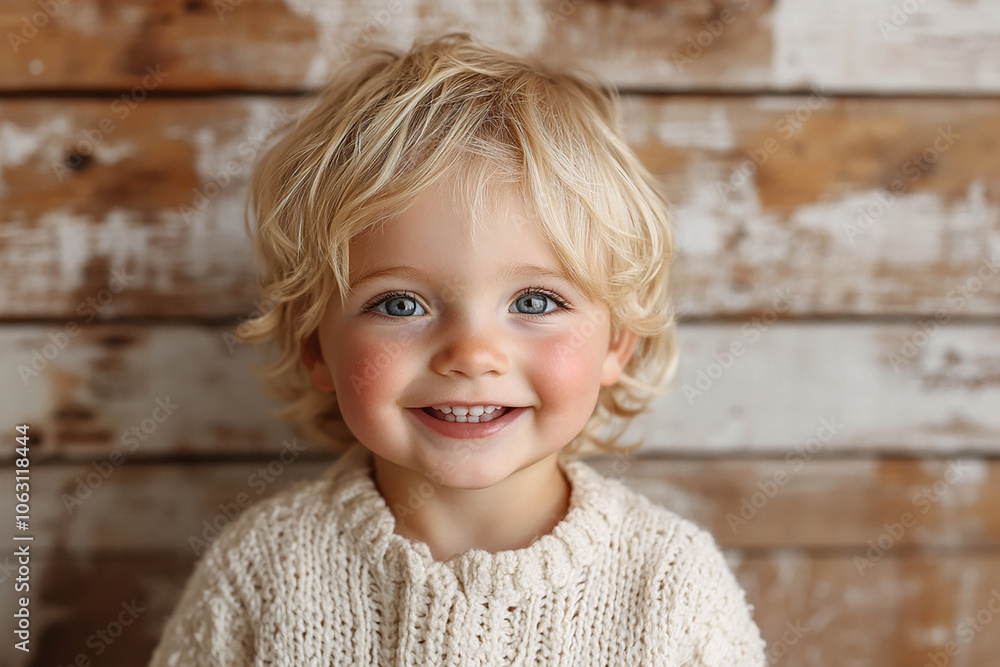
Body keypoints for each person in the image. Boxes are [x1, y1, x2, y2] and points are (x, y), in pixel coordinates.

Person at [148, 32, 766, 666]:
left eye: (534, 302)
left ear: (619, 343)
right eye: (399, 304)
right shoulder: (260, 571)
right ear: (314, 346)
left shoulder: (672, 584)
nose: (472, 354)